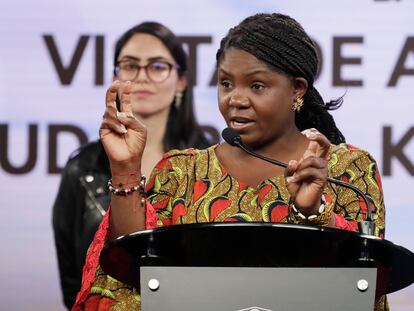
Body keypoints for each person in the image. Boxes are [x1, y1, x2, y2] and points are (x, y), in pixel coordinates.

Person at [73, 13, 387, 311]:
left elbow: (365, 282)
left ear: (297, 89)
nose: (235, 99)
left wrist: (315, 212)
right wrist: (126, 168)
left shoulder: (347, 169)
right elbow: (131, 272)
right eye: (226, 84)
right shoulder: (181, 172)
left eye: (257, 86)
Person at [52, 21, 215, 309]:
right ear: (116, 75)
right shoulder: (82, 168)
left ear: (181, 81)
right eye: (130, 65)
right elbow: (73, 283)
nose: (142, 77)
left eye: (157, 66)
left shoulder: (210, 161)